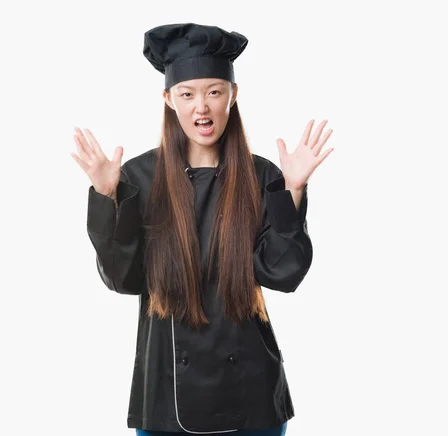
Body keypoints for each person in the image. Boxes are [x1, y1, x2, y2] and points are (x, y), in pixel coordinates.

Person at [70, 23, 334, 435]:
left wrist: (293, 190)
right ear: (168, 99)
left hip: (251, 396)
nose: (202, 107)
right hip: (166, 397)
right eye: (187, 94)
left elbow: (283, 275)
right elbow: (124, 279)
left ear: (233, 94)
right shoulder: (138, 177)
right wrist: (109, 198)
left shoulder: (264, 175)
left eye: (214, 91)